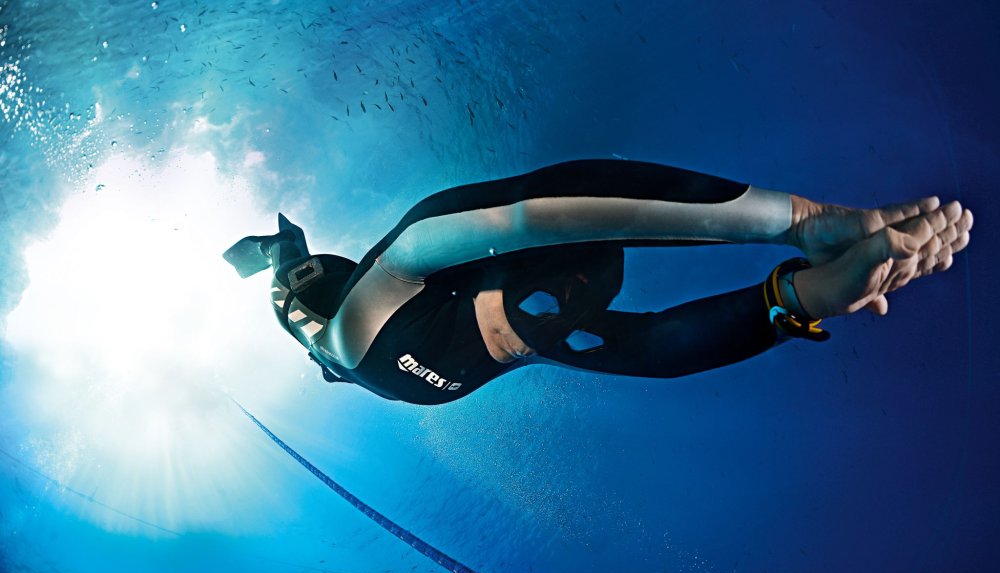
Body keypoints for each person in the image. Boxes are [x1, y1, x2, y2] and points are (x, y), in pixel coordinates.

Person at [223, 159, 972, 405]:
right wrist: (800, 221)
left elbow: (650, 348)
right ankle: (281, 260)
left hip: (456, 350)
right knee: (532, 285)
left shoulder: (381, 343)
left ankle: (282, 261)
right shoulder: (363, 320)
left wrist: (808, 297)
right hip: (433, 328)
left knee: (554, 325)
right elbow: (522, 217)